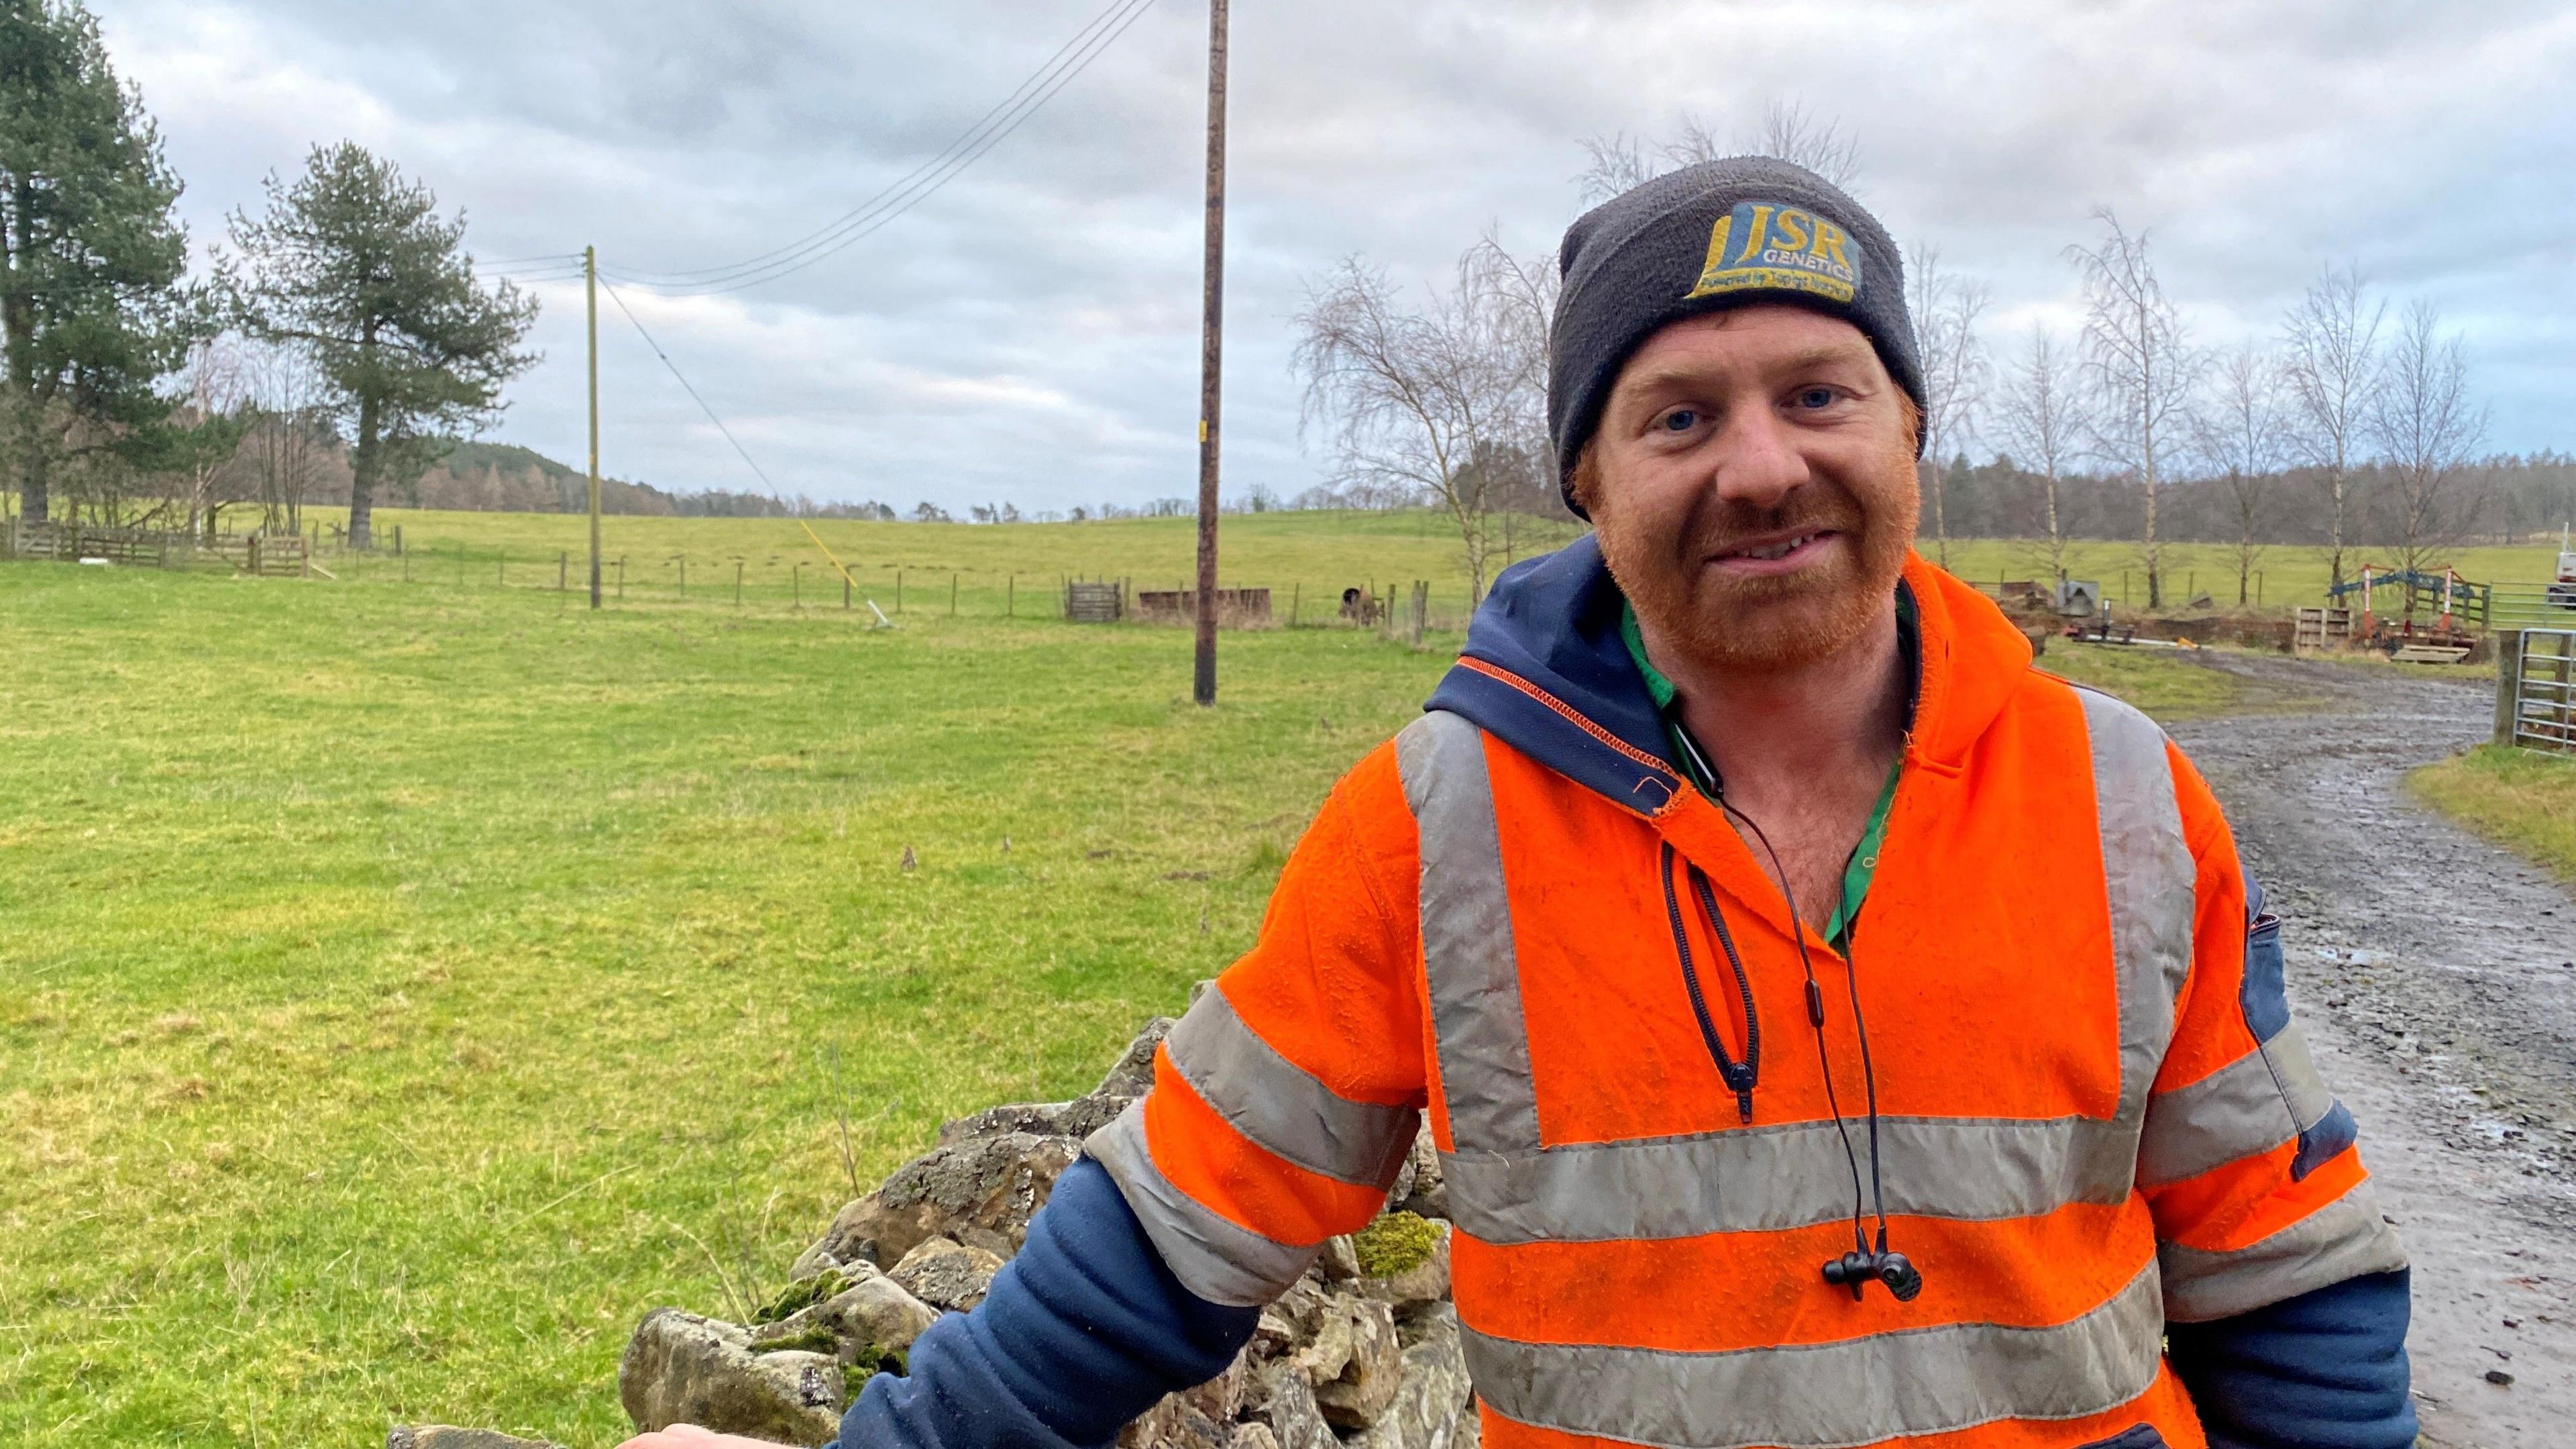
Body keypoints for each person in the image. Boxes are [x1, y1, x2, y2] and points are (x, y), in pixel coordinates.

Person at [624, 157, 2413, 1449]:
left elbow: (2289, 1277)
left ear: (1909, 437)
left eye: (1819, 393)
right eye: (1679, 414)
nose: (1764, 463)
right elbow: (1158, 1243)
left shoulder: (2123, 802)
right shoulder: (1442, 826)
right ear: (1589, 481)